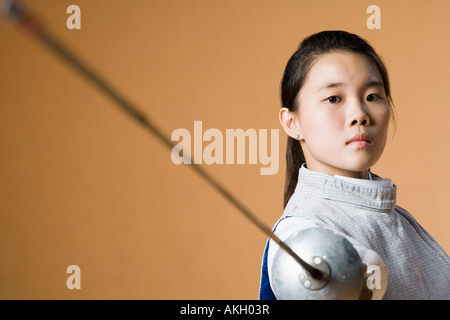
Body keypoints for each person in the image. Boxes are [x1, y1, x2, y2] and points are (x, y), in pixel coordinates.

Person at [259, 30, 450, 300]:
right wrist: (339, 273)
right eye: (334, 98)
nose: (360, 114)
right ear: (292, 123)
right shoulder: (301, 233)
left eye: (372, 96)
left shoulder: (394, 217)